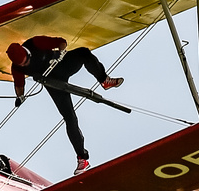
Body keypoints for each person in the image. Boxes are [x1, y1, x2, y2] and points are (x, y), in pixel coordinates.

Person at [8, 35, 122, 174]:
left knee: (83, 52)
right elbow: (19, 84)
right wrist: (20, 96)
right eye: (22, 64)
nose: (25, 65)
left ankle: (104, 80)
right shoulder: (17, 68)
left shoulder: (35, 42)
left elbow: (61, 42)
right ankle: (82, 158)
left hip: (61, 65)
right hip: (52, 82)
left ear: (26, 51)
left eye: (26, 61)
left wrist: (61, 53)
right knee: (70, 118)